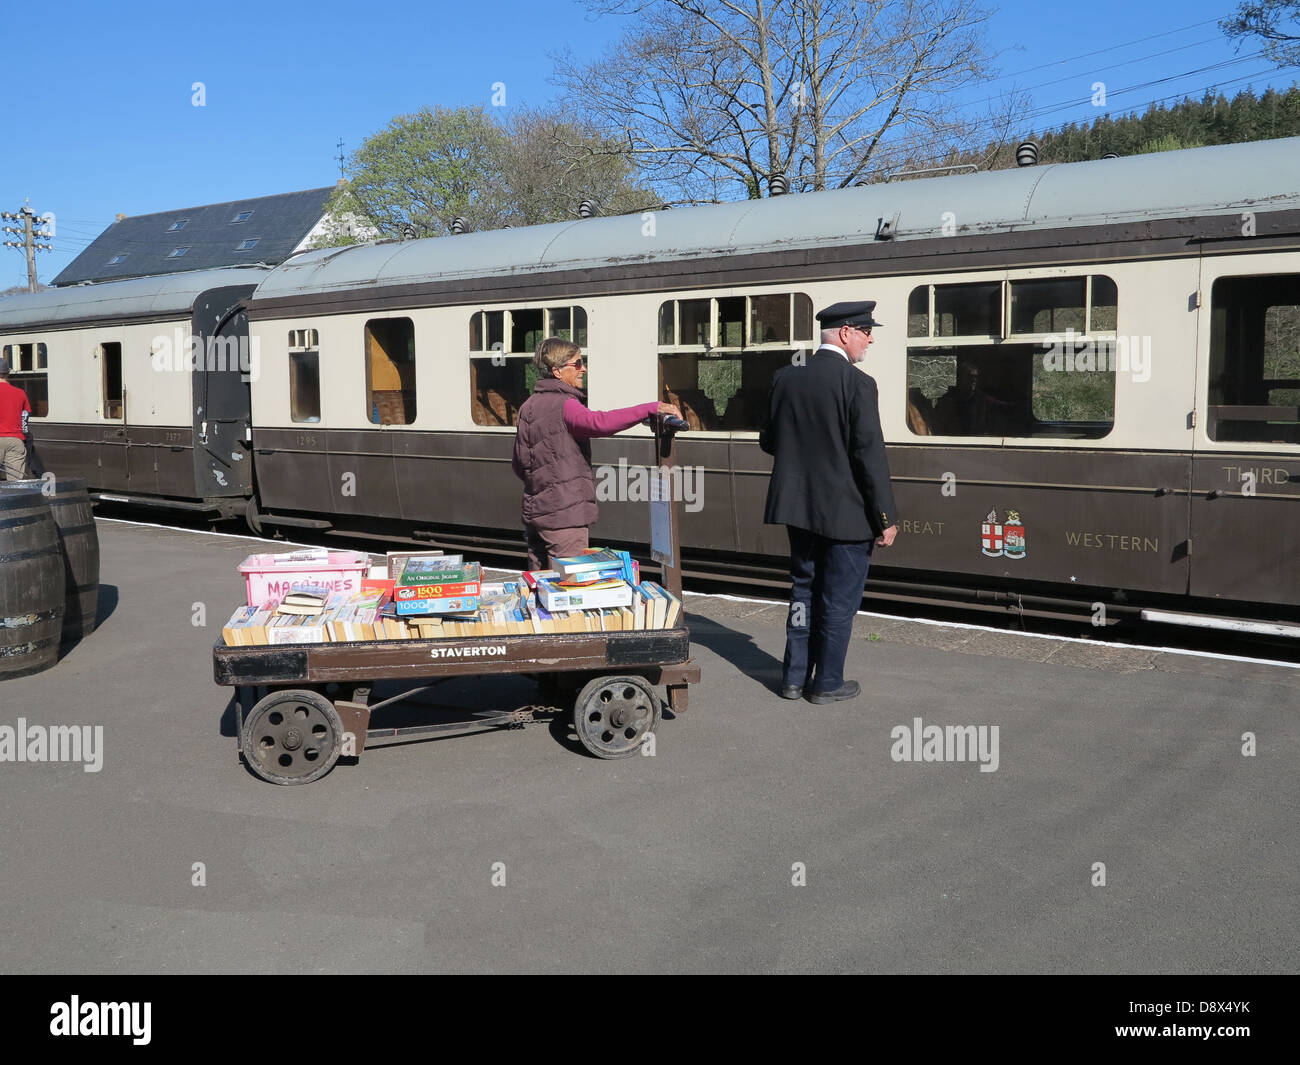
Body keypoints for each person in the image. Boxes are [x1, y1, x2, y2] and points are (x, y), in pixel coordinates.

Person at [760, 301, 898, 704]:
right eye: (866, 331)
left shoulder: (785, 378)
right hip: (848, 514)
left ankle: (792, 678)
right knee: (838, 599)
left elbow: (769, 441)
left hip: (797, 509)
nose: (870, 339)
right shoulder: (858, 384)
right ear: (845, 333)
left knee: (803, 590)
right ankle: (827, 683)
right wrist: (885, 516)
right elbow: (869, 456)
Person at [512, 336, 681, 571]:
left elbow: (519, 464)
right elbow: (599, 423)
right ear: (557, 371)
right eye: (577, 363)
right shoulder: (566, 405)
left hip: (536, 512)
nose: (584, 369)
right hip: (565, 517)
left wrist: (544, 486)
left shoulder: (528, 406)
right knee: (566, 587)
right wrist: (650, 407)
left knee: (540, 585)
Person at [0, 354, 32, 481]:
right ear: (7, 374)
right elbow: (25, 418)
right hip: (15, 440)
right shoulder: (20, 393)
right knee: (16, 483)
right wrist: (23, 437)